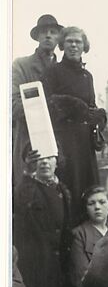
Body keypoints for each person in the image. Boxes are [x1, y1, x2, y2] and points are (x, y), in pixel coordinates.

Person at [13, 151, 73, 287]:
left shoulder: (63, 191)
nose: (45, 162)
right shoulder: (27, 189)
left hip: (58, 270)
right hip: (35, 269)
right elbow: (19, 206)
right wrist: (28, 176)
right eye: (39, 159)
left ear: (58, 161)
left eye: (49, 157)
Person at [42, 26, 107, 224]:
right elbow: (47, 103)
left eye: (78, 42)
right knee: (68, 184)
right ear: (62, 45)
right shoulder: (53, 71)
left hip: (84, 142)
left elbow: (91, 105)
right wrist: (73, 105)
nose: (73, 45)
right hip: (64, 139)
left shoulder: (88, 77)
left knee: (87, 187)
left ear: (84, 46)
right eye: (69, 41)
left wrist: (99, 117)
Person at [12, 14, 64, 188]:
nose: (48, 35)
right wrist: (46, 107)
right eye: (43, 32)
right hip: (30, 143)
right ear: (37, 37)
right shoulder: (21, 66)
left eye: (53, 32)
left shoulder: (64, 69)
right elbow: (13, 104)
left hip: (60, 145)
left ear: (59, 38)